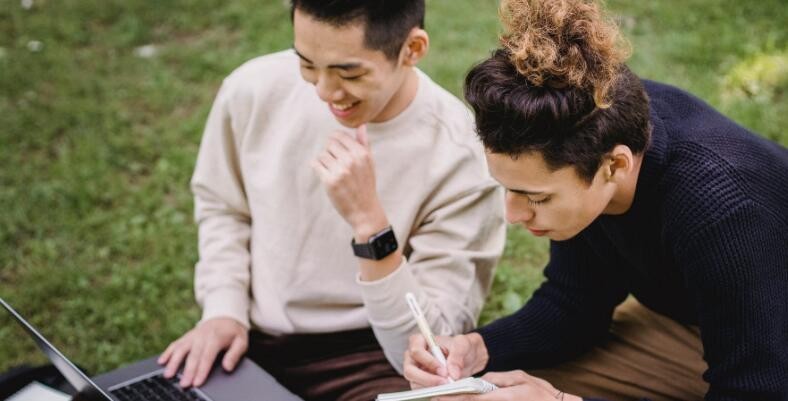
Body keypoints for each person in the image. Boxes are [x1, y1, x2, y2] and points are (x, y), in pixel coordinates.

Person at [403, 0, 788, 400]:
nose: (513, 213)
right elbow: (575, 303)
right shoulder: (590, 125)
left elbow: (754, 387)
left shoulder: (724, 210)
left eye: (536, 197)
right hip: (705, 322)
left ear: (615, 165)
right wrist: (476, 349)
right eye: (508, 189)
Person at [155, 1, 506, 401]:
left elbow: (430, 346)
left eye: (348, 72)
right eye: (306, 64)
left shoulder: (459, 155)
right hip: (252, 341)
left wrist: (371, 226)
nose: (323, 91)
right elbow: (223, 207)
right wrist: (223, 309)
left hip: (372, 358)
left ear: (412, 49)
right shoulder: (252, 89)